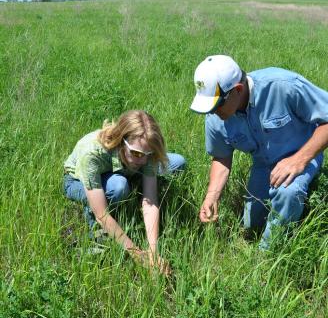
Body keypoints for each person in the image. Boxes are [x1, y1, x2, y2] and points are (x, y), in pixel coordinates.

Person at [190, 55, 328, 249]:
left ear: (237, 90)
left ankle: (266, 257)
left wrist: (299, 159)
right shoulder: (215, 117)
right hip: (263, 165)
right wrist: (212, 196)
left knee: (288, 193)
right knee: (251, 225)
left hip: (302, 154)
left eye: (216, 105)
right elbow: (221, 157)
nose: (212, 112)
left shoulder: (283, 86)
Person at [63, 110, 185, 273]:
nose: (142, 160)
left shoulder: (144, 153)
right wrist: (136, 253)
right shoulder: (92, 154)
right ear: (121, 140)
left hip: (125, 168)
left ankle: (133, 182)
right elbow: (102, 214)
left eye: (148, 154)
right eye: (136, 153)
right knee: (119, 187)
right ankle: (98, 239)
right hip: (76, 181)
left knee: (178, 163)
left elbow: (150, 201)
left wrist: (153, 251)